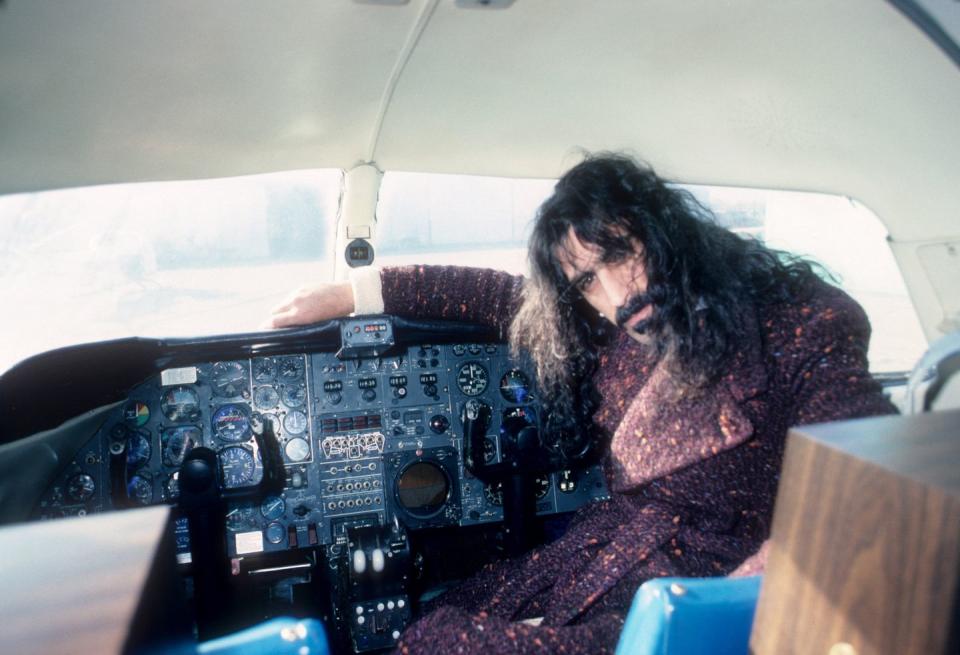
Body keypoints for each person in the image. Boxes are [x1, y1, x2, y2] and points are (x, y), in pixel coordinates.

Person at [267, 153, 896, 654]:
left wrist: (704, 624)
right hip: (611, 553)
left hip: (704, 592)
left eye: (620, 252)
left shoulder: (802, 324)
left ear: (667, 229)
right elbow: (503, 297)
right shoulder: (618, 333)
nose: (618, 292)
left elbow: (860, 505)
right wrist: (354, 292)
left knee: (437, 642)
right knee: (435, 615)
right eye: (587, 281)